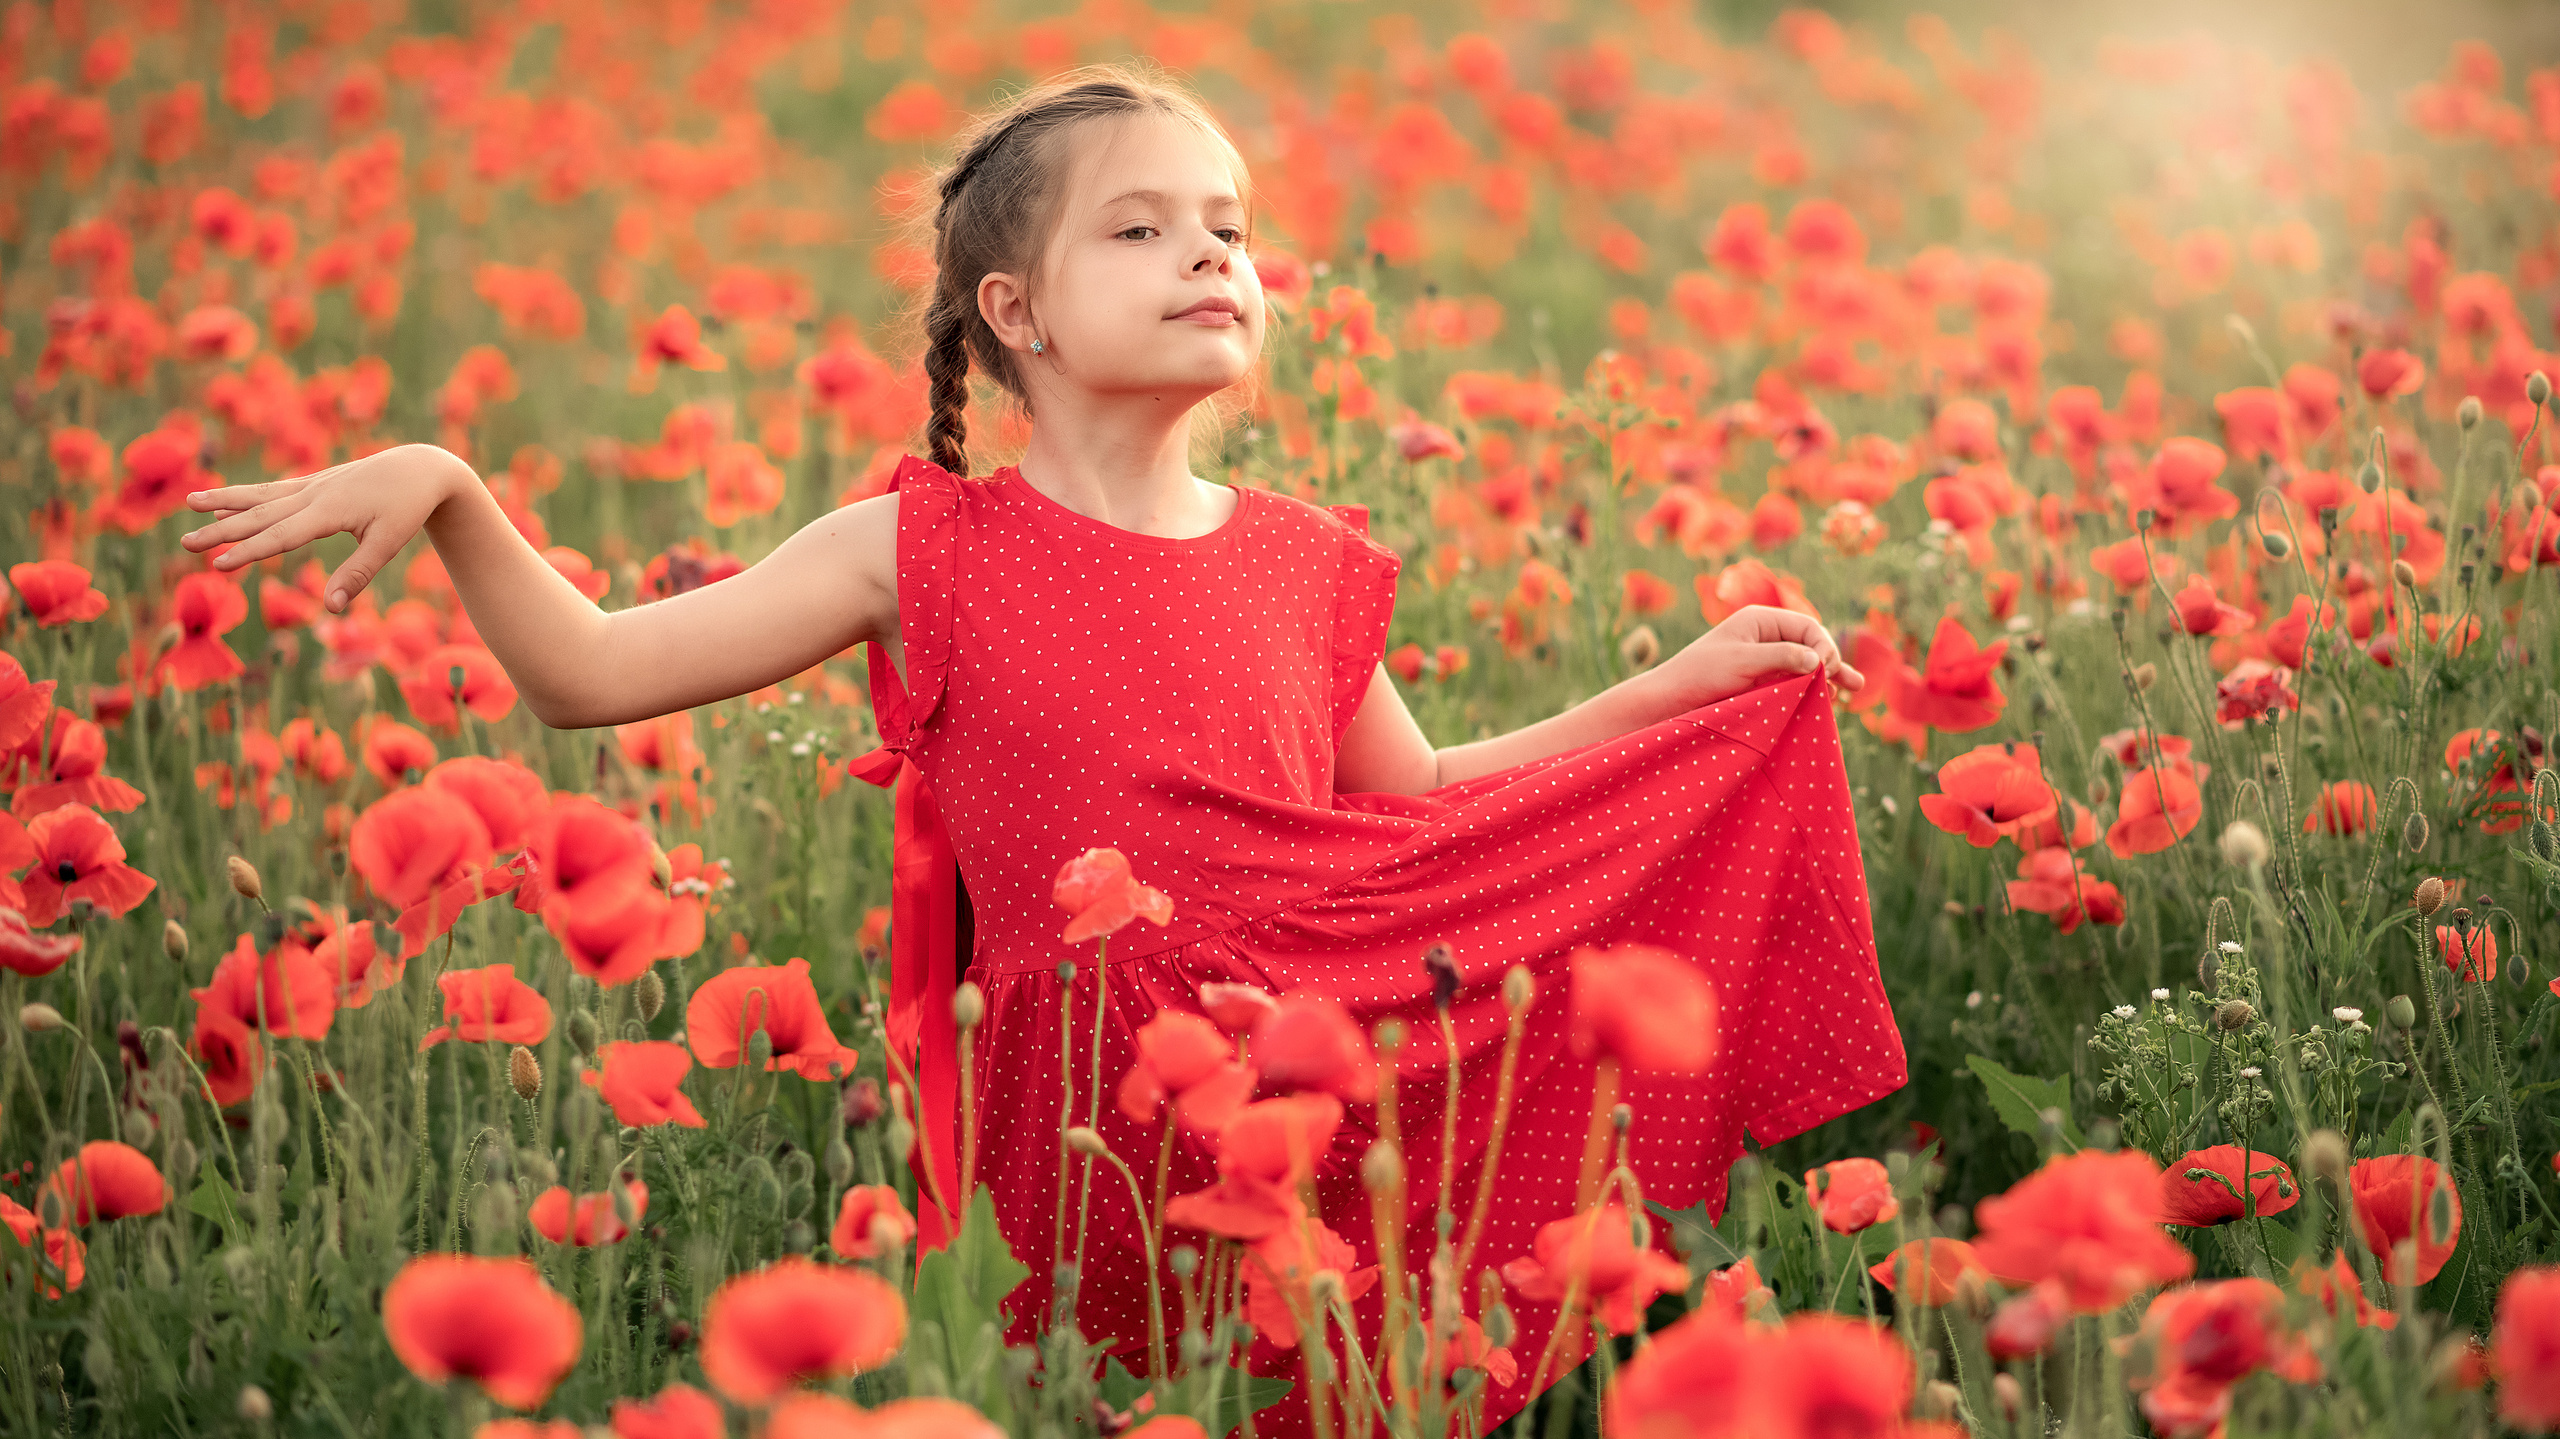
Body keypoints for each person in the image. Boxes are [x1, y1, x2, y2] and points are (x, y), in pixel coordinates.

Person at [181, 61, 1907, 1439]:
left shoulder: (1308, 558)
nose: (1214, 257)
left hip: (1317, 1065)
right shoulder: (913, 549)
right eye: (1143, 232)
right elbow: (588, 673)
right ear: (1012, 309)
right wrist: (455, 490)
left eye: (1229, 228)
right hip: (1078, 1112)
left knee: (1310, 1395)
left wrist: (1670, 695)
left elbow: (1427, 798)